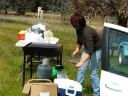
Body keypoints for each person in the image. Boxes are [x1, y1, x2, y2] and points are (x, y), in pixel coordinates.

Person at [70, 13, 102, 96]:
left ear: (77, 24)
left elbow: (91, 50)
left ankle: (97, 93)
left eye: (73, 23)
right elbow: (79, 41)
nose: (72, 25)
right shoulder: (78, 29)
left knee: (93, 72)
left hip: (96, 50)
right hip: (88, 48)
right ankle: (78, 89)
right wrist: (77, 50)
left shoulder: (87, 32)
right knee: (81, 69)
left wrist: (82, 62)